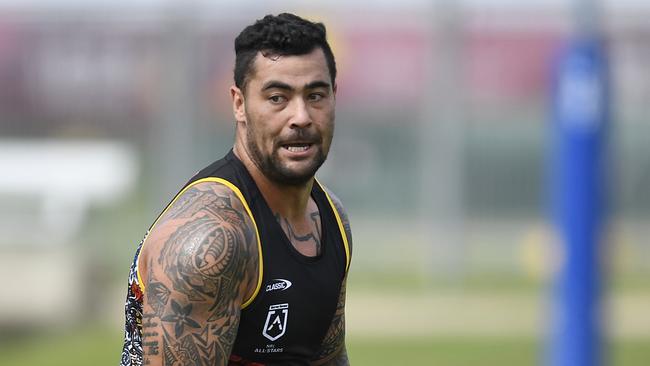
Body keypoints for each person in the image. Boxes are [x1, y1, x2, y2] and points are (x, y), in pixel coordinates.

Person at [120, 13, 352, 366]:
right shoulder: (209, 242)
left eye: (315, 95)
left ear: (334, 97)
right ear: (239, 104)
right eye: (278, 98)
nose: (301, 116)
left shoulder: (331, 218)